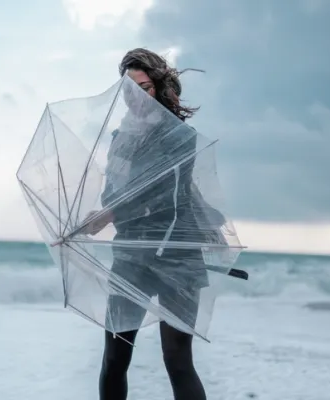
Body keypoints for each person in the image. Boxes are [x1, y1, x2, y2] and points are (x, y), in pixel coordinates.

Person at [84, 48, 209, 400]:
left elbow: (165, 193)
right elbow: (113, 194)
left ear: (159, 86)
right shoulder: (119, 141)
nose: (135, 98)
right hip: (132, 255)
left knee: (177, 360)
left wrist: (109, 215)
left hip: (178, 256)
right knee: (115, 357)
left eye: (144, 87)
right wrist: (103, 213)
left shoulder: (182, 138)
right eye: (128, 90)